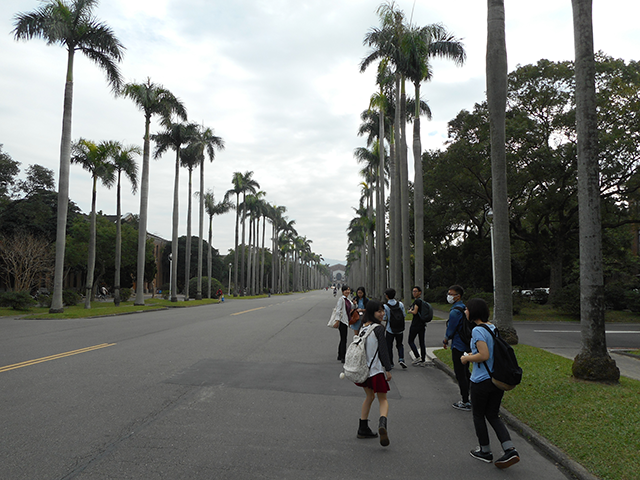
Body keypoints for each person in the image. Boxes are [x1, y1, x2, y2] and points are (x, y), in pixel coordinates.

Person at [461, 298, 520, 469]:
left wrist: (466, 358)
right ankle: (510, 449)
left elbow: (484, 355)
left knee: (478, 415)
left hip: (481, 381)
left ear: (474, 311)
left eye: (467, 309)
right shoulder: (491, 327)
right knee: (493, 414)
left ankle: (485, 451)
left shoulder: (477, 330)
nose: (465, 311)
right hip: (495, 380)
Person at [353, 300, 393, 446]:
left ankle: (362, 428)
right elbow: (383, 351)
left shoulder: (364, 328)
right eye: (379, 311)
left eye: (383, 311)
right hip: (375, 371)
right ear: (372, 313)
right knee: (383, 399)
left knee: (369, 396)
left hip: (364, 371)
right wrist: (387, 369)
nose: (382, 314)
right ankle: (383, 423)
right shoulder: (378, 329)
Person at [443, 284, 470, 411]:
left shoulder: (455, 311)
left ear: (458, 296)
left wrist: (445, 339)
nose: (448, 296)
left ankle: (465, 401)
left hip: (458, 345)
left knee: (460, 374)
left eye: (451, 294)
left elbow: (451, 329)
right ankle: (471, 397)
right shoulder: (465, 308)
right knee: (466, 372)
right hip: (467, 344)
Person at [383, 288, 407, 369]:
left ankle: (391, 362)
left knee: (389, 346)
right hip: (400, 329)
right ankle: (401, 359)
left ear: (387, 296)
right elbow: (404, 315)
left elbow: (384, 317)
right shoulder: (400, 304)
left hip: (390, 329)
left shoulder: (386, 306)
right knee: (400, 344)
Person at [407, 286, 427, 366]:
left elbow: (415, 312)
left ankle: (417, 357)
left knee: (410, 341)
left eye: (416, 291)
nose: (414, 293)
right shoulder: (422, 302)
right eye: (413, 291)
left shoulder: (417, 302)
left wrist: (410, 311)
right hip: (422, 324)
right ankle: (423, 359)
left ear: (420, 292)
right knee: (422, 342)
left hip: (416, 324)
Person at [335, 285, 354, 363]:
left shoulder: (348, 300)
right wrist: (337, 320)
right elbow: (338, 310)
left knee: (343, 339)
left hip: (346, 321)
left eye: (348, 290)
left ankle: (340, 355)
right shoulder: (341, 299)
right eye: (346, 290)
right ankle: (343, 356)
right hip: (342, 321)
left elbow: (352, 307)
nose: (347, 291)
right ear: (342, 291)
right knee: (344, 339)